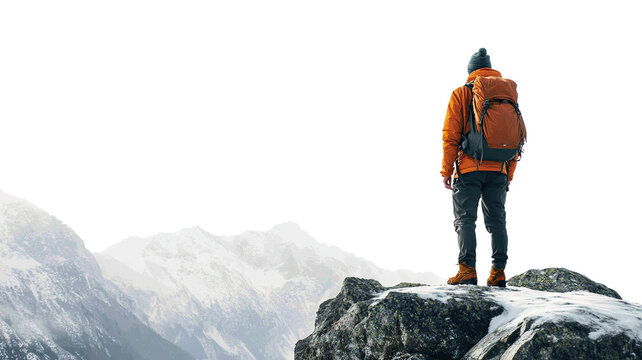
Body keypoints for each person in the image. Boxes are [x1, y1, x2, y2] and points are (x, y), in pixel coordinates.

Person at [441, 48, 518, 287]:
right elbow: (514, 137)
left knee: (465, 219)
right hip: (500, 170)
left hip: (469, 168)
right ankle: (498, 272)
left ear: (470, 71)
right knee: (497, 222)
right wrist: (509, 174)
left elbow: (451, 135)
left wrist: (446, 171)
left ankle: (467, 270)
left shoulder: (461, 94)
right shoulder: (507, 96)